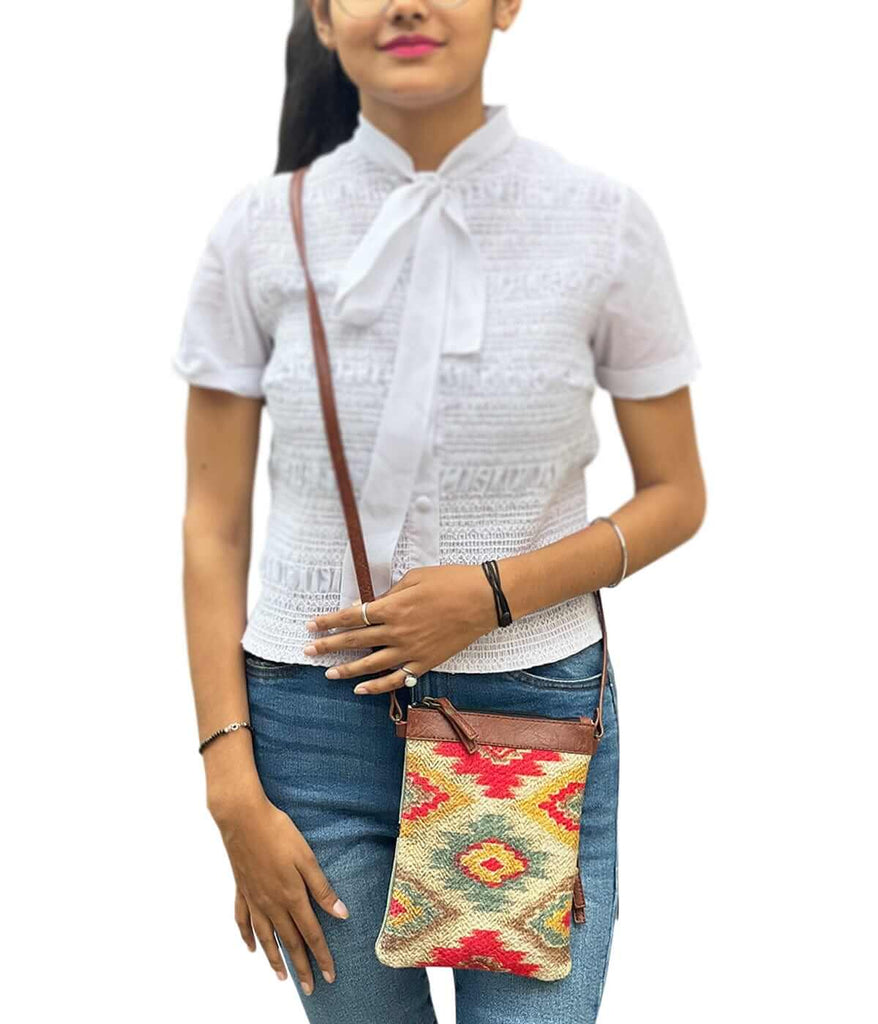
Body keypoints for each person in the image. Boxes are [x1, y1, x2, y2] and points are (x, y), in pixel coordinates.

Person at [173, 1, 706, 1021]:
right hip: (307, 732)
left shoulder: (600, 222)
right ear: (323, 16)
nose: (409, 4)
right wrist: (228, 780)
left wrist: (493, 595)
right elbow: (213, 522)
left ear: (506, 4)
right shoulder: (256, 232)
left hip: (531, 711)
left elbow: (677, 494)